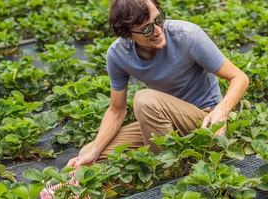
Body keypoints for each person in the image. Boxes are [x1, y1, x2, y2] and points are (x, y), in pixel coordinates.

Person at [66, 0, 249, 168]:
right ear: (128, 34)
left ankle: (166, 167)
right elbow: (116, 110)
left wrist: (222, 110)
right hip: (162, 119)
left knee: (144, 100)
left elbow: (239, 77)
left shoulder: (188, 36)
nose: (158, 31)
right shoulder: (118, 55)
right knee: (89, 153)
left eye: (158, 19)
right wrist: (94, 151)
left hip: (203, 118)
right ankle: (172, 154)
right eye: (146, 29)